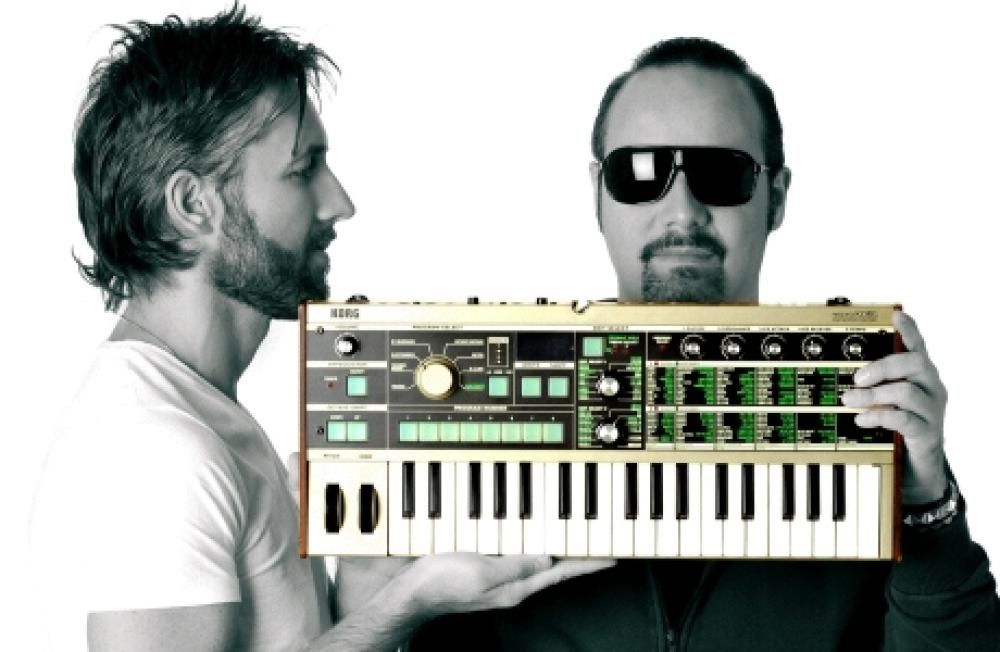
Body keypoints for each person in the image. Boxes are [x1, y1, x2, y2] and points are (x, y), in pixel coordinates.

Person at [29, 7, 609, 651]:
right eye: (303, 169)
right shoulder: (155, 448)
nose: (340, 202)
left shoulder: (199, 412)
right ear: (193, 204)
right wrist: (408, 606)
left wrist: (364, 590)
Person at [409, 37, 1000, 650]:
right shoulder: (489, 400)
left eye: (721, 173)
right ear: (598, 193)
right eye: (639, 172)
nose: (682, 211)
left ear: (776, 196)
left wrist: (928, 513)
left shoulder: (861, 399)